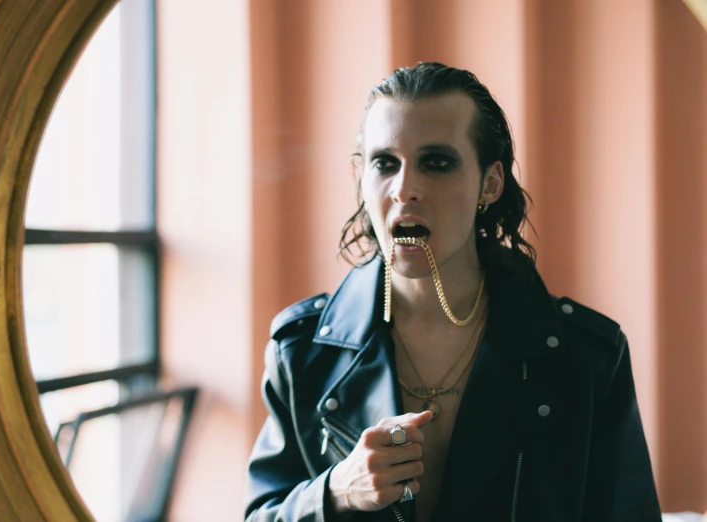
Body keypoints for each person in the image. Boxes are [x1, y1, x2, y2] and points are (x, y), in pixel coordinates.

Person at [245, 62, 662, 522]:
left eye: (436, 162)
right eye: (385, 163)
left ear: (490, 183)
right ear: (360, 179)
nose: (405, 189)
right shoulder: (302, 352)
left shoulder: (585, 358)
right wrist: (334, 491)